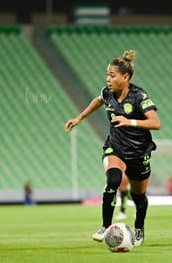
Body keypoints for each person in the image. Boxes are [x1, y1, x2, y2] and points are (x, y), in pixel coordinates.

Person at [64, 50, 161, 246]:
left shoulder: (138, 96)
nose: (108, 79)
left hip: (139, 152)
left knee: (138, 196)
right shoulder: (107, 93)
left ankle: (139, 227)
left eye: (112, 75)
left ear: (125, 77)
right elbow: (98, 100)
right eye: (107, 75)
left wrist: (129, 121)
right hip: (115, 147)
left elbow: (156, 123)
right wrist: (79, 118)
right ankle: (105, 226)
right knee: (113, 179)